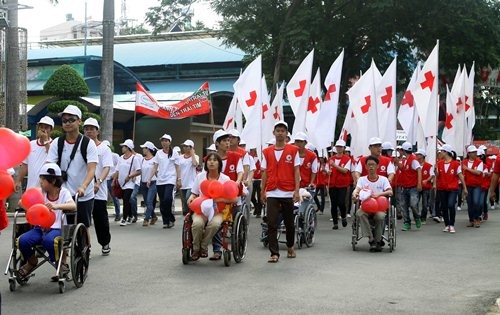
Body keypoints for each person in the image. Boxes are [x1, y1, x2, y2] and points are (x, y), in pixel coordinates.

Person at [46, 105, 98, 236]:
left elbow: (91, 169)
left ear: (79, 121)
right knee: (61, 227)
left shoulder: (88, 143)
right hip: (63, 193)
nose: (67, 123)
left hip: (83, 194)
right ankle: (64, 254)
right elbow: (49, 166)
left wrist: (83, 186)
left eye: (71, 120)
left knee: (82, 227)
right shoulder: (57, 142)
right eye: (64, 121)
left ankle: (85, 251)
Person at [17, 163, 76, 279]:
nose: (40, 183)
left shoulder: (64, 192)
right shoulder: (40, 192)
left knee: (49, 241)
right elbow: (21, 202)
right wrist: (32, 210)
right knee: (22, 241)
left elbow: (73, 206)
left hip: (57, 228)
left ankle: (59, 264)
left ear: (53, 181)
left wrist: (56, 206)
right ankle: (31, 261)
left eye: (43, 180)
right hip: (40, 228)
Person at [261, 121, 300, 263]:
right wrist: (262, 190)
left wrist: (296, 190)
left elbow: (296, 171)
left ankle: (290, 246)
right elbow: (264, 172)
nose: (280, 133)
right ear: (274, 133)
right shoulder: (267, 152)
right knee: (272, 223)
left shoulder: (293, 150)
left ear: (286, 134)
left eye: (283, 131)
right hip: (272, 191)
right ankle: (274, 253)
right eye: (278, 130)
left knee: (289, 223)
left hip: (288, 191)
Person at [187, 152, 238, 260]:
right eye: (209, 160)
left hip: (218, 210)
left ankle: (203, 246)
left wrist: (221, 199)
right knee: (197, 224)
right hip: (201, 209)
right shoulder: (200, 176)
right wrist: (191, 197)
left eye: (215, 160)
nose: (211, 162)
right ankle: (196, 249)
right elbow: (194, 192)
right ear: (206, 163)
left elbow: (235, 199)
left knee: (215, 224)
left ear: (219, 164)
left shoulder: (225, 179)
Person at [210, 129, 243, 260]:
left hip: (233, 195)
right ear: (217, 143)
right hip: (216, 196)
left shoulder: (235, 157)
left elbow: (240, 172)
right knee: (216, 222)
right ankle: (217, 250)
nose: (227, 143)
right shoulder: (210, 159)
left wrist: (237, 182)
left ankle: (237, 244)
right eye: (224, 141)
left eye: (228, 140)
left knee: (235, 220)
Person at [83, 118, 113, 255]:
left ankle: (105, 242)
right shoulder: (81, 147)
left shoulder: (104, 148)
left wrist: (99, 182)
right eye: (86, 129)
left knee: (100, 219)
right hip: (83, 189)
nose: (89, 131)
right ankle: (83, 247)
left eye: (92, 129)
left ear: (97, 131)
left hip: (98, 190)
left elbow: (106, 167)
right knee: (82, 221)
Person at [352, 156, 393, 252]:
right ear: (365, 167)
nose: (371, 167)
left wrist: (378, 194)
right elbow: (357, 190)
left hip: (379, 207)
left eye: (373, 164)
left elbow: (390, 192)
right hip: (366, 207)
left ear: (377, 166)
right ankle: (371, 239)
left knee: (380, 216)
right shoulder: (362, 179)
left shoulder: (383, 179)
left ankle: (378, 241)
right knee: (360, 213)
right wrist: (354, 194)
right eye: (369, 165)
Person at [15, 116, 55, 191]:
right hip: (30, 188)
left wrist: (46, 141)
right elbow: (24, 165)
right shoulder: (31, 144)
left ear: (51, 130)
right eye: (41, 127)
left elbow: (52, 157)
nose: (43, 130)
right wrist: (18, 181)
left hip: (46, 191)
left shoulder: (54, 144)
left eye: (46, 128)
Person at [435, 144, 468, 233]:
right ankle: (447, 225)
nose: (440, 153)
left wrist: (465, 188)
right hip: (442, 188)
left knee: (450, 205)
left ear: (446, 152)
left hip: (453, 188)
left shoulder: (456, 164)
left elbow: (461, 176)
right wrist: (435, 175)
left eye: (441, 151)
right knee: (444, 207)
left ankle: (452, 224)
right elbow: (437, 176)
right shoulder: (439, 163)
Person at [152, 134, 180, 228]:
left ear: (170, 142)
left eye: (166, 140)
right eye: (163, 141)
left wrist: (178, 179)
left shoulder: (174, 153)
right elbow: (155, 166)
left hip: (170, 179)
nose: (164, 142)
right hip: (160, 180)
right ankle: (166, 221)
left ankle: (170, 218)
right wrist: (149, 178)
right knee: (162, 202)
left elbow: (177, 167)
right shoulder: (158, 153)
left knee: (168, 199)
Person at [395, 142, 422, 231]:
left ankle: (417, 217)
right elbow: (403, 169)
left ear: (403, 150)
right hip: (404, 186)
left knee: (413, 204)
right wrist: (397, 163)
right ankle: (407, 222)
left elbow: (418, 170)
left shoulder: (413, 159)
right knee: (404, 205)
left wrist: (419, 183)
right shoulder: (404, 160)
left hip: (413, 187)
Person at [114, 139, 141, 226]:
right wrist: (114, 179)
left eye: (124, 146)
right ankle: (130, 215)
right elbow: (117, 170)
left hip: (130, 183)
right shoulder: (120, 158)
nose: (122, 148)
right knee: (126, 200)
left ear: (128, 148)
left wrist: (130, 176)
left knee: (126, 200)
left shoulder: (134, 158)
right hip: (121, 183)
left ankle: (124, 218)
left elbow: (139, 171)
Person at [327, 139, 351, 229]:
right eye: (337, 147)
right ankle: (335, 223)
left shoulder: (347, 159)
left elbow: (345, 171)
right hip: (332, 184)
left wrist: (335, 166)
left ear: (344, 148)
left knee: (341, 202)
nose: (339, 148)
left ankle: (344, 216)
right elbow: (326, 169)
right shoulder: (331, 159)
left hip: (342, 184)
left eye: (341, 147)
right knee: (333, 204)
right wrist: (327, 171)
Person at [462, 145, 484, 228]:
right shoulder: (464, 162)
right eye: (473, 152)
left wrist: (467, 169)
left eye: (476, 152)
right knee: (470, 203)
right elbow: (462, 174)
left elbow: (478, 172)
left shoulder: (479, 162)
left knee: (476, 202)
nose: (475, 154)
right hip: (467, 186)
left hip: (477, 186)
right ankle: (471, 220)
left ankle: (477, 218)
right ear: (469, 153)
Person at [178, 139, 200, 215]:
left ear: (191, 147)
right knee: (184, 200)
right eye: (184, 146)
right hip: (182, 181)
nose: (184, 148)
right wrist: (178, 179)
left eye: (187, 146)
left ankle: (191, 213)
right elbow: (178, 169)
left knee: (188, 198)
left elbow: (195, 164)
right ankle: (187, 214)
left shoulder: (195, 156)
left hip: (191, 182)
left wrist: (192, 154)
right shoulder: (180, 157)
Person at [139, 141, 159, 226]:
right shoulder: (142, 159)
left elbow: (157, 172)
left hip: (153, 183)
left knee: (149, 201)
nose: (143, 150)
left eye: (144, 148)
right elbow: (139, 170)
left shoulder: (155, 159)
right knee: (147, 202)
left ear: (148, 149)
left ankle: (146, 219)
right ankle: (154, 216)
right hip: (143, 183)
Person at [415, 149, 436, 223]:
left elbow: (432, 175)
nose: (417, 156)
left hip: (426, 187)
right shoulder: (415, 165)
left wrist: (426, 180)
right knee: (415, 203)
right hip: (417, 186)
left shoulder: (429, 166)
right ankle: (416, 217)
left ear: (422, 156)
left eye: (418, 155)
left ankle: (423, 218)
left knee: (425, 204)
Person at [105, 143, 122, 221]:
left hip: (111, 179)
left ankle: (118, 214)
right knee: (101, 199)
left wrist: (114, 176)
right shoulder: (101, 155)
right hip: (103, 179)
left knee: (114, 198)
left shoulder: (115, 156)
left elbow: (119, 166)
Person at [249, 148, 263, 217]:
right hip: (252, 180)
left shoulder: (259, 158)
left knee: (260, 196)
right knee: (251, 196)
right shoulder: (249, 157)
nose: (253, 151)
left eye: (254, 150)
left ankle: (259, 212)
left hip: (259, 180)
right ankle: (256, 206)